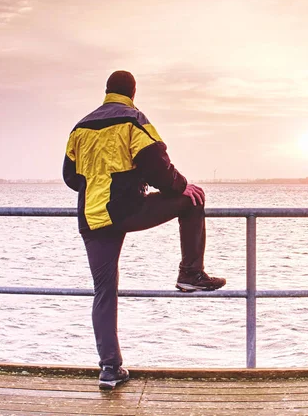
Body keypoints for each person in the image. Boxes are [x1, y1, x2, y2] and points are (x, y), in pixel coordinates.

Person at [62, 70, 226, 390]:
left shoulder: (80, 127)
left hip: (93, 218)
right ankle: (190, 273)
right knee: (193, 199)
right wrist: (181, 185)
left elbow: (70, 176)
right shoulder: (133, 120)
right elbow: (157, 165)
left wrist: (100, 183)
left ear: (106, 91)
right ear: (133, 92)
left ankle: (109, 369)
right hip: (126, 212)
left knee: (104, 292)